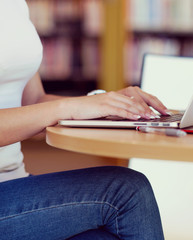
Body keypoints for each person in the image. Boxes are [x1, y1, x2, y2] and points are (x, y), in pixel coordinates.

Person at [0, 1, 167, 239]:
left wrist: (102, 104)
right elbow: (50, 110)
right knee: (126, 191)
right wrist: (68, 107)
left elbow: (32, 102)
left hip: (13, 180)